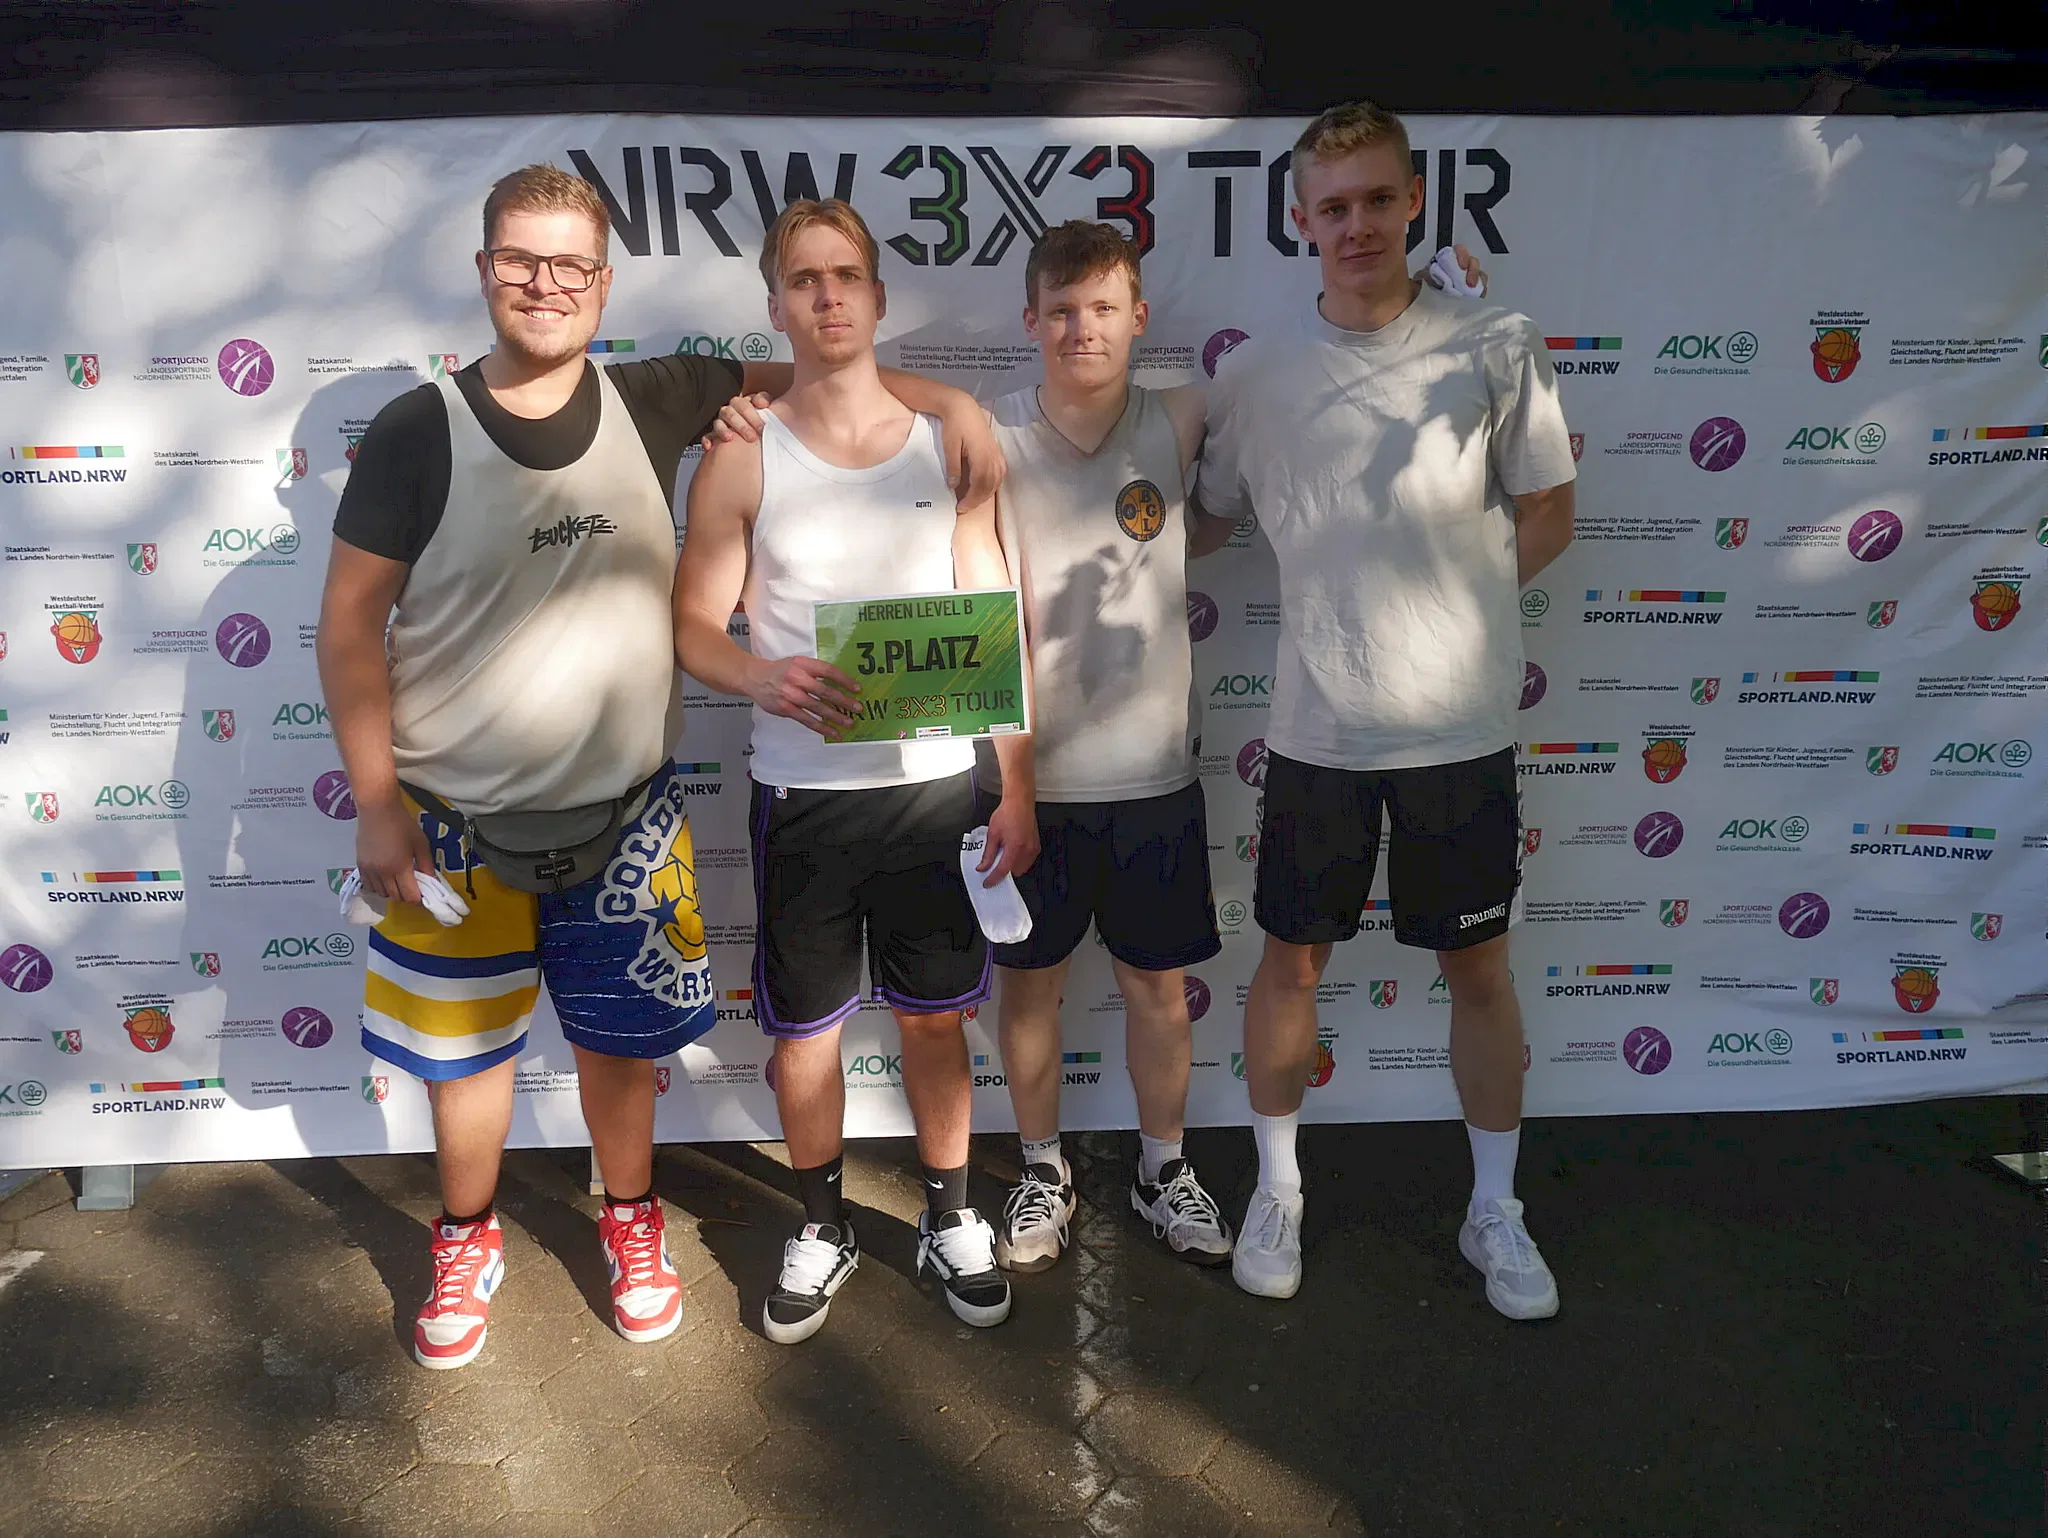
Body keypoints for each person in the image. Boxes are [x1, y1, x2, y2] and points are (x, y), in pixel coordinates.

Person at [318, 165, 1002, 1370]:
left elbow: (823, 370)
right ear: (484, 271)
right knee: (465, 1066)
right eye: (519, 260)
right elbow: (346, 625)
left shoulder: (660, 396)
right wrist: (376, 800)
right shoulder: (418, 430)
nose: (544, 284)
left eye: (568, 264)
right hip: (447, 819)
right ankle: (465, 1236)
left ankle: (630, 1220)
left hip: (624, 813)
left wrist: (953, 402)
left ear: (602, 282)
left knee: (620, 1048)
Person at [1197, 102, 1576, 1317]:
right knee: (1288, 963)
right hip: (1316, 733)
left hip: (1460, 733)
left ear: (1413, 200)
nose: (1355, 223)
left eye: (1375, 199)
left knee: (1480, 969)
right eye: (1332, 205)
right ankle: (1277, 1187)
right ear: (1298, 219)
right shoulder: (1253, 375)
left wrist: (1460, 612)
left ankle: (1493, 1207)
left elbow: (1549, 509)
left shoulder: (1496, 340)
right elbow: (1194, 523)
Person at [673, 198, 1039, 1344]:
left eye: (845, 276)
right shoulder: (741, 454)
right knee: (805, 1035)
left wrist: (1015, 781)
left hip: (937, 792)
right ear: (775, 304)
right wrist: (759, 674)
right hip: (805, 797)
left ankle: (951, 1213)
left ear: (877, 297)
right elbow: (691, 624)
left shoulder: (949, 438)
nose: (826, 295)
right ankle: (823, 1222)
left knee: (936, 1023)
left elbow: (991, 610)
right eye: (803, 279)